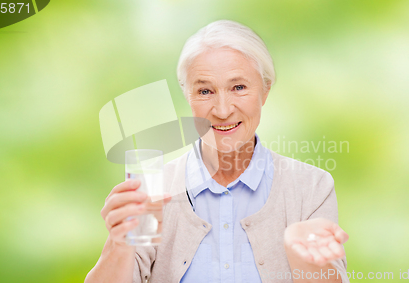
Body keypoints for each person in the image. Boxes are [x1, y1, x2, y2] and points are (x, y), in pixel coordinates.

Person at [85, 20, 349, 283]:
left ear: (265, 90)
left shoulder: (310, 187)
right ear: (187, 95)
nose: (222, 111)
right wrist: (118, 244)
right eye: (205, 91)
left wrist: (305, 258)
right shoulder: (155, 189)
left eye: (239, 87)